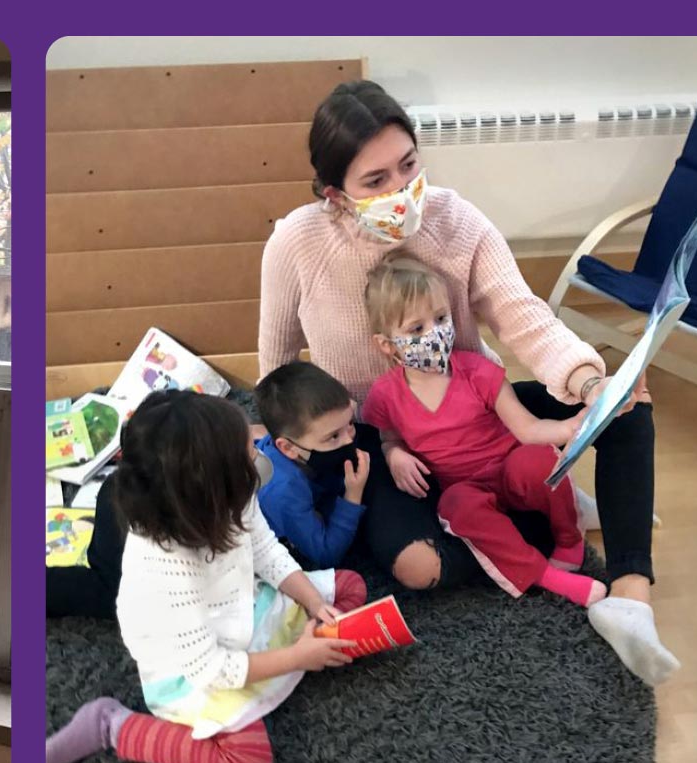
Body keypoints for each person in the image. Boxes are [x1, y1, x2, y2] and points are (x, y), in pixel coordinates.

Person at [258, 80, 672, 684]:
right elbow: (275, 364)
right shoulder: (297, 241)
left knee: (629, 410)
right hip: (385, 440)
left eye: (408, 166)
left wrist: (589, 383)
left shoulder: (456, 222)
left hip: (476, 409)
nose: (401, 191)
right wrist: (274, 440)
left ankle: (630, 596)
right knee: (416, 568)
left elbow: (522, 315)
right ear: (336, 196)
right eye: (375, 182)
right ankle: (528, 520)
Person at [359, 256, 677, 684]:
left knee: (540, 458)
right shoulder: (385, 395)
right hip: (466, 488)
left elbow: (526, 428)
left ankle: (570, 539)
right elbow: (387, 436)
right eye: (416, 330)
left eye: (440, 318)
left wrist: (570, 426)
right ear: (387, 345)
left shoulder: (477, 372)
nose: (434, 334)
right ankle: (546, 577)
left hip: (511, 466)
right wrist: (395, 453)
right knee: (456, 507)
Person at [44, 391, 366, 763]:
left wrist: (315, 602)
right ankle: (112, 726)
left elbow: (265, 549)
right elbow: (212, 669)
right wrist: (298, 655)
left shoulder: (232, 496)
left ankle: (297, 656)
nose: (260, 457)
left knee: (349, 586)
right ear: (212, 486)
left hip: (242, 608)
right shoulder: (165, 569)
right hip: (199, 668)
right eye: (249, 452)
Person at [252, 360, 373, 571]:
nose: (348, 441)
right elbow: (326, 554)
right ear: (288, 448)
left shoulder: (304, 450)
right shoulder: (284, 491)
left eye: (350, 424)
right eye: (334, 436)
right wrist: (353, 495)